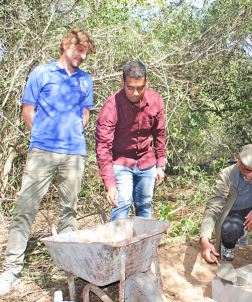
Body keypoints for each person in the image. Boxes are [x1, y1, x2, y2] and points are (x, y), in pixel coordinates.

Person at [0, 30, 95, 295]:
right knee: (25, 209)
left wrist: (74, 134)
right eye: (80, 49)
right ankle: (11, 271)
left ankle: (69, 272)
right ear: (66, 44)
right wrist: (42, 137)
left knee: (69, 212)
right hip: (42, 151)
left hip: (74, 154)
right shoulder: (41, 74)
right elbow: (27, 111)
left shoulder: (86, 81)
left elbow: (85, 114)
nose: (83, 56)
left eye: (86, 52)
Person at [95, 60, 166, 221]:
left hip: (146, 161)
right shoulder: (111, 107)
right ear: (122, 82)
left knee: (144, 205)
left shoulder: (155, 101)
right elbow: (103, 147)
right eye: (130, 88)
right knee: (122, 202)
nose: (135, 93)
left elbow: (160, 133)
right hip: (121, 161)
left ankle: (145, 245)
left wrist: (160, 164)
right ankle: (117, 245)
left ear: (146, 82)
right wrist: (110, 185)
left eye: (140, 88)